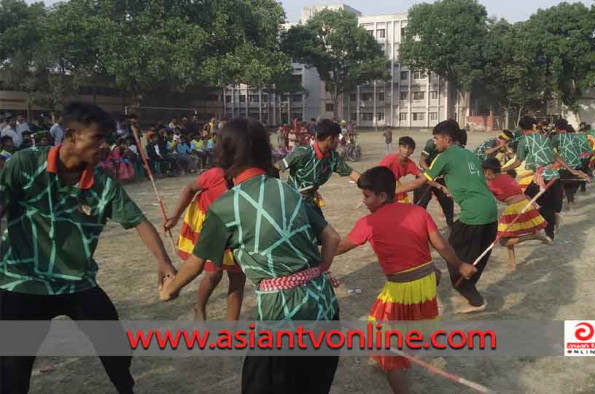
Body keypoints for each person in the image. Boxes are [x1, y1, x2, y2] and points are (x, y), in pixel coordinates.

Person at [0, 102, 177, 393]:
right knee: (12, 372)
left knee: (116, 349)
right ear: (71, 135)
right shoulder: (26, 164)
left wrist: (164, 261)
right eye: (97, 138)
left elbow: (138, 221)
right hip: (23, 282)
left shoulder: (103, 184)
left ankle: (126, 389)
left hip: (77, 281)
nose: (105, 146)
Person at [160, 118, 341, 394]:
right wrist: (315, 272)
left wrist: (169, 289)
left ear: (225, 153)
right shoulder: (288, 189)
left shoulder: (225, 206)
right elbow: (332, 238)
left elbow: (196, 265)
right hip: (325, 307)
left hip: (283, 318)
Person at [336, 166, 477, 394]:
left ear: (382, 196)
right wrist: (460, 265)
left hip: (402, 289)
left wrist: (313, 253)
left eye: (366, 196)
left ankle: (393, 365)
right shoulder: (418, 212)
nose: (363, 201)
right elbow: (441, 245)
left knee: (380, 340)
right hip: (426, 283)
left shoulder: (368, 223)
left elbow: (340, 247)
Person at [396, 120, 498, 313]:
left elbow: (420, 182)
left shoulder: (444, 156)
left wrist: (394, 192)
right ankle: (471, 290)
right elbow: (471, 180)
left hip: (474, 214)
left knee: (451, 252)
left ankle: (474, 299)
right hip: (491, 211)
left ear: (447, 139)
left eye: (436, 138)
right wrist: (453, 189)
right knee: (476, 256)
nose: (434, 142)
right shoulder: (470, 154)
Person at [163, 165, 246, 321]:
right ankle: (199, 307)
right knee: (214, 273)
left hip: (235, 227)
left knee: (237, 276)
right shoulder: (216, 175)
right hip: (209, 226)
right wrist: (175, 216)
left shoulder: (253, 181)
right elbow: (190, 188)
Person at [501, 117, 589, 240]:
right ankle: (550, 231)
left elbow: (517, 162)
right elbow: (555, 156)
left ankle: (538, 231)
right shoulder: (544, 138)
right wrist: (572, 170)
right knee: (547, 205)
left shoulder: (523, 142)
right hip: (554, 176)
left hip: (542, 179)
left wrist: (501, 170)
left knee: (528, 202)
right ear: (533, 126)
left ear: (521, 128)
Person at [277, 119, 361, 218]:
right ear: (330, 139)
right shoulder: (302, 153)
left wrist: (372, 187)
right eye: (337, 137)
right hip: (293, 204)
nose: (339, 141)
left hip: (311, 203)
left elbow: (352, 173)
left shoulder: (333, 158)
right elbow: (275, 168)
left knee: (325, 231)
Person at [482, 158, 551, 269]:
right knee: (508, 234)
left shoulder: (491, 184)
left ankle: (534, 236)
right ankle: (512, 260)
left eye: (484, 172)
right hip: (525, 203)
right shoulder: (507, 176)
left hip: (516, 208)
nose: (484, 174)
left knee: (503, 241)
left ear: (489, 171)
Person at [413, 138, 454, 228]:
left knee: (448, 203)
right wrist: (431, 172)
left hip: (439, 177)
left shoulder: (453, 147)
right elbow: (422, 161)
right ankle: (416, 228)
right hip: (425, 175)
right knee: (421, 205)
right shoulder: (431, 144)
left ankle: (451, 227)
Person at [378, 136, 422, 204]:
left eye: (409, 148)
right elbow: (378, 174)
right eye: (404, 147)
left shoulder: (410, 164)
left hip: (395, 187)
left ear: (412, 151)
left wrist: (437, 185)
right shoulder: (389, 159)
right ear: (399, 148)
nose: (406, 150)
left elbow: (423, 176)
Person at [551, 120, 584, 209]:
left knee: (561, 184)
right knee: (571, 184)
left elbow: (550, 151)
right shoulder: (574, 137)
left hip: (564, 166)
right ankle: (570, 202)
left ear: (557, 128)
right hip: (577, 164)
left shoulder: (556, 137)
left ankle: (561, 205)